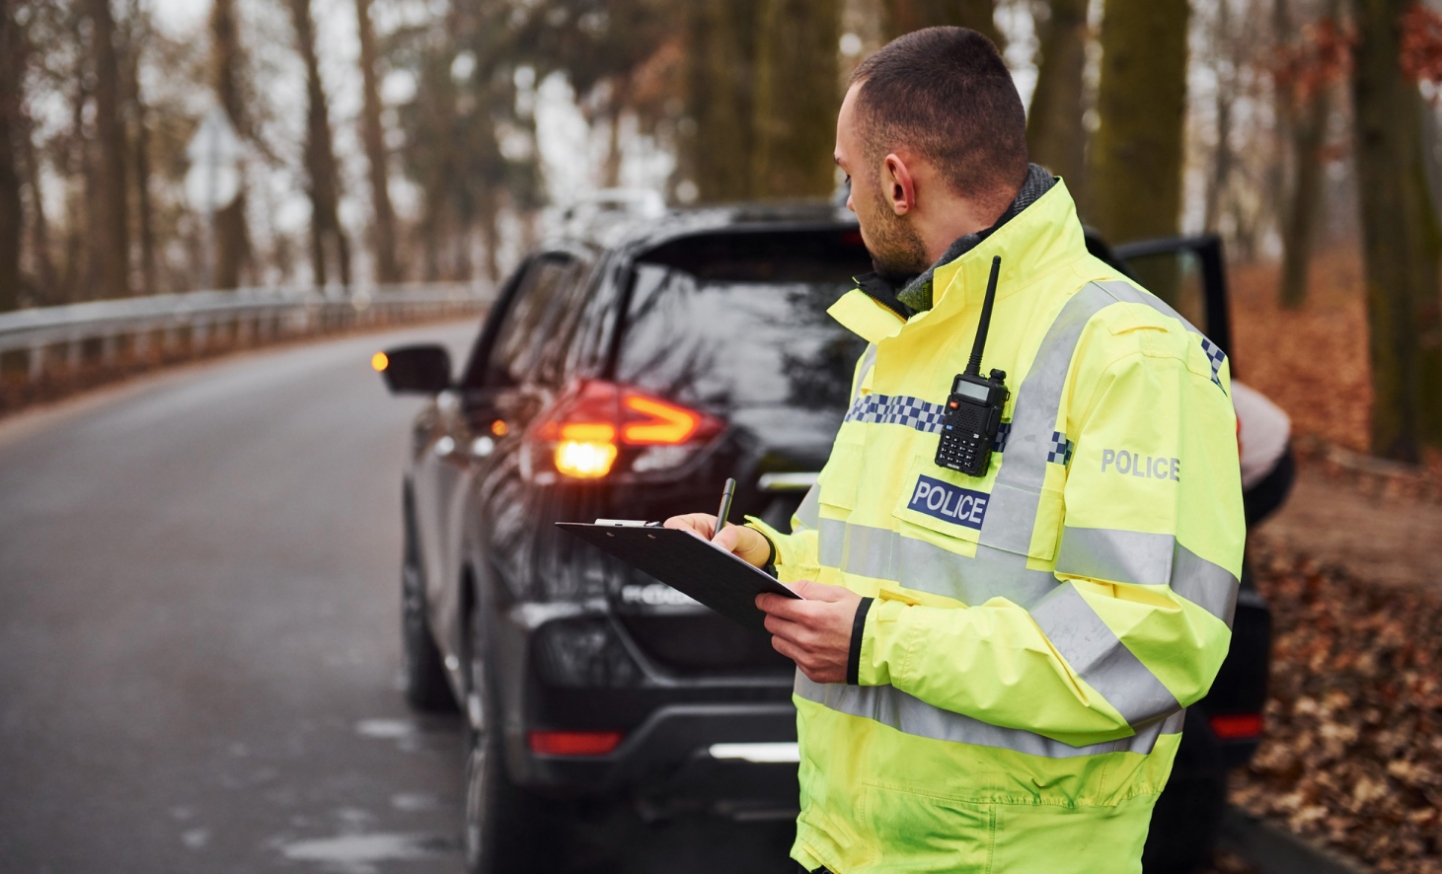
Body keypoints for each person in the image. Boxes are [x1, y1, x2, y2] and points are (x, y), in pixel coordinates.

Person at [666, 26, 1244, 874]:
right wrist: (761, 552)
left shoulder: (1135, 355)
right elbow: (879, 565)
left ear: (898, 181)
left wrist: (876, 642)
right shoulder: (903, 337)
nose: (848, 200)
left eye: (848, 175)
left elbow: (1148, 646)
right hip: (849, 847)